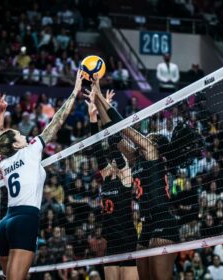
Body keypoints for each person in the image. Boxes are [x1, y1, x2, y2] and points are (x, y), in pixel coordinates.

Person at [0, 71, 83, 280]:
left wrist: (0, 114)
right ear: (16, 144)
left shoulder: (3, 161)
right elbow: (57, 121)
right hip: (25, 219)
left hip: (6, 223)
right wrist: (75, 91)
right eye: (20, 134)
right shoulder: (31, 149)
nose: (25, 135)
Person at [89, 76, 178, 280]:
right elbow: (114, 134)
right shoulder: (136, 158)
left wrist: (102, 97)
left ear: (156, 146)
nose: (148, 138)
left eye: (151, 137)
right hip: (146, 224)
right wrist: (98, 100)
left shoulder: (152, 153)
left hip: (163, 221)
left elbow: (123, 127)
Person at [85, 86, 138, 280]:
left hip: (127, 239)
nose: (112, 160)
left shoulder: (125, 174)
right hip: (111, 240)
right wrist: (93, 118)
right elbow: (99, 150)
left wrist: (104, 108)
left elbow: (114, 145)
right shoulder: (108, 175)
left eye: (115, 158)